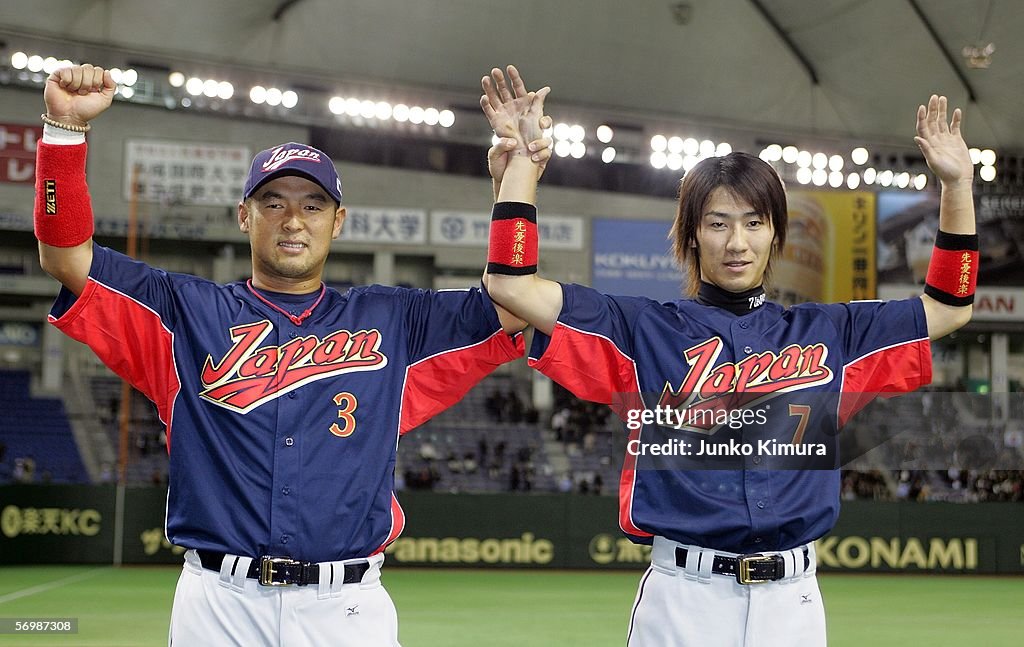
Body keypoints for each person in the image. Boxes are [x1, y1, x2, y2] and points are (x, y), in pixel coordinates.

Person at [33, 63, 549, 646]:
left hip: (348, 607)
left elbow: (509, 302)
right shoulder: (181, 312)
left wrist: (518, 177)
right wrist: (64, 129)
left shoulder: (393, 318)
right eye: (273, 202)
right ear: (243, 215)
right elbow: (66, 256)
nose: (294, 220)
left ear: (339, 220)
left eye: (313, 204)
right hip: (218, 605)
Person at [481, 66, 976, 645]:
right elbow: (512, 286)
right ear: (692, 235)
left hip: (793, 602)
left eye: (753, 223)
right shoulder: (643, 329)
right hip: (684, 598)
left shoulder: (829, 332)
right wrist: (522, 167)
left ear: (774, 234)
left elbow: (948, 306)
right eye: (717, 224)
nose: (736, 243)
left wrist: (957, 189)